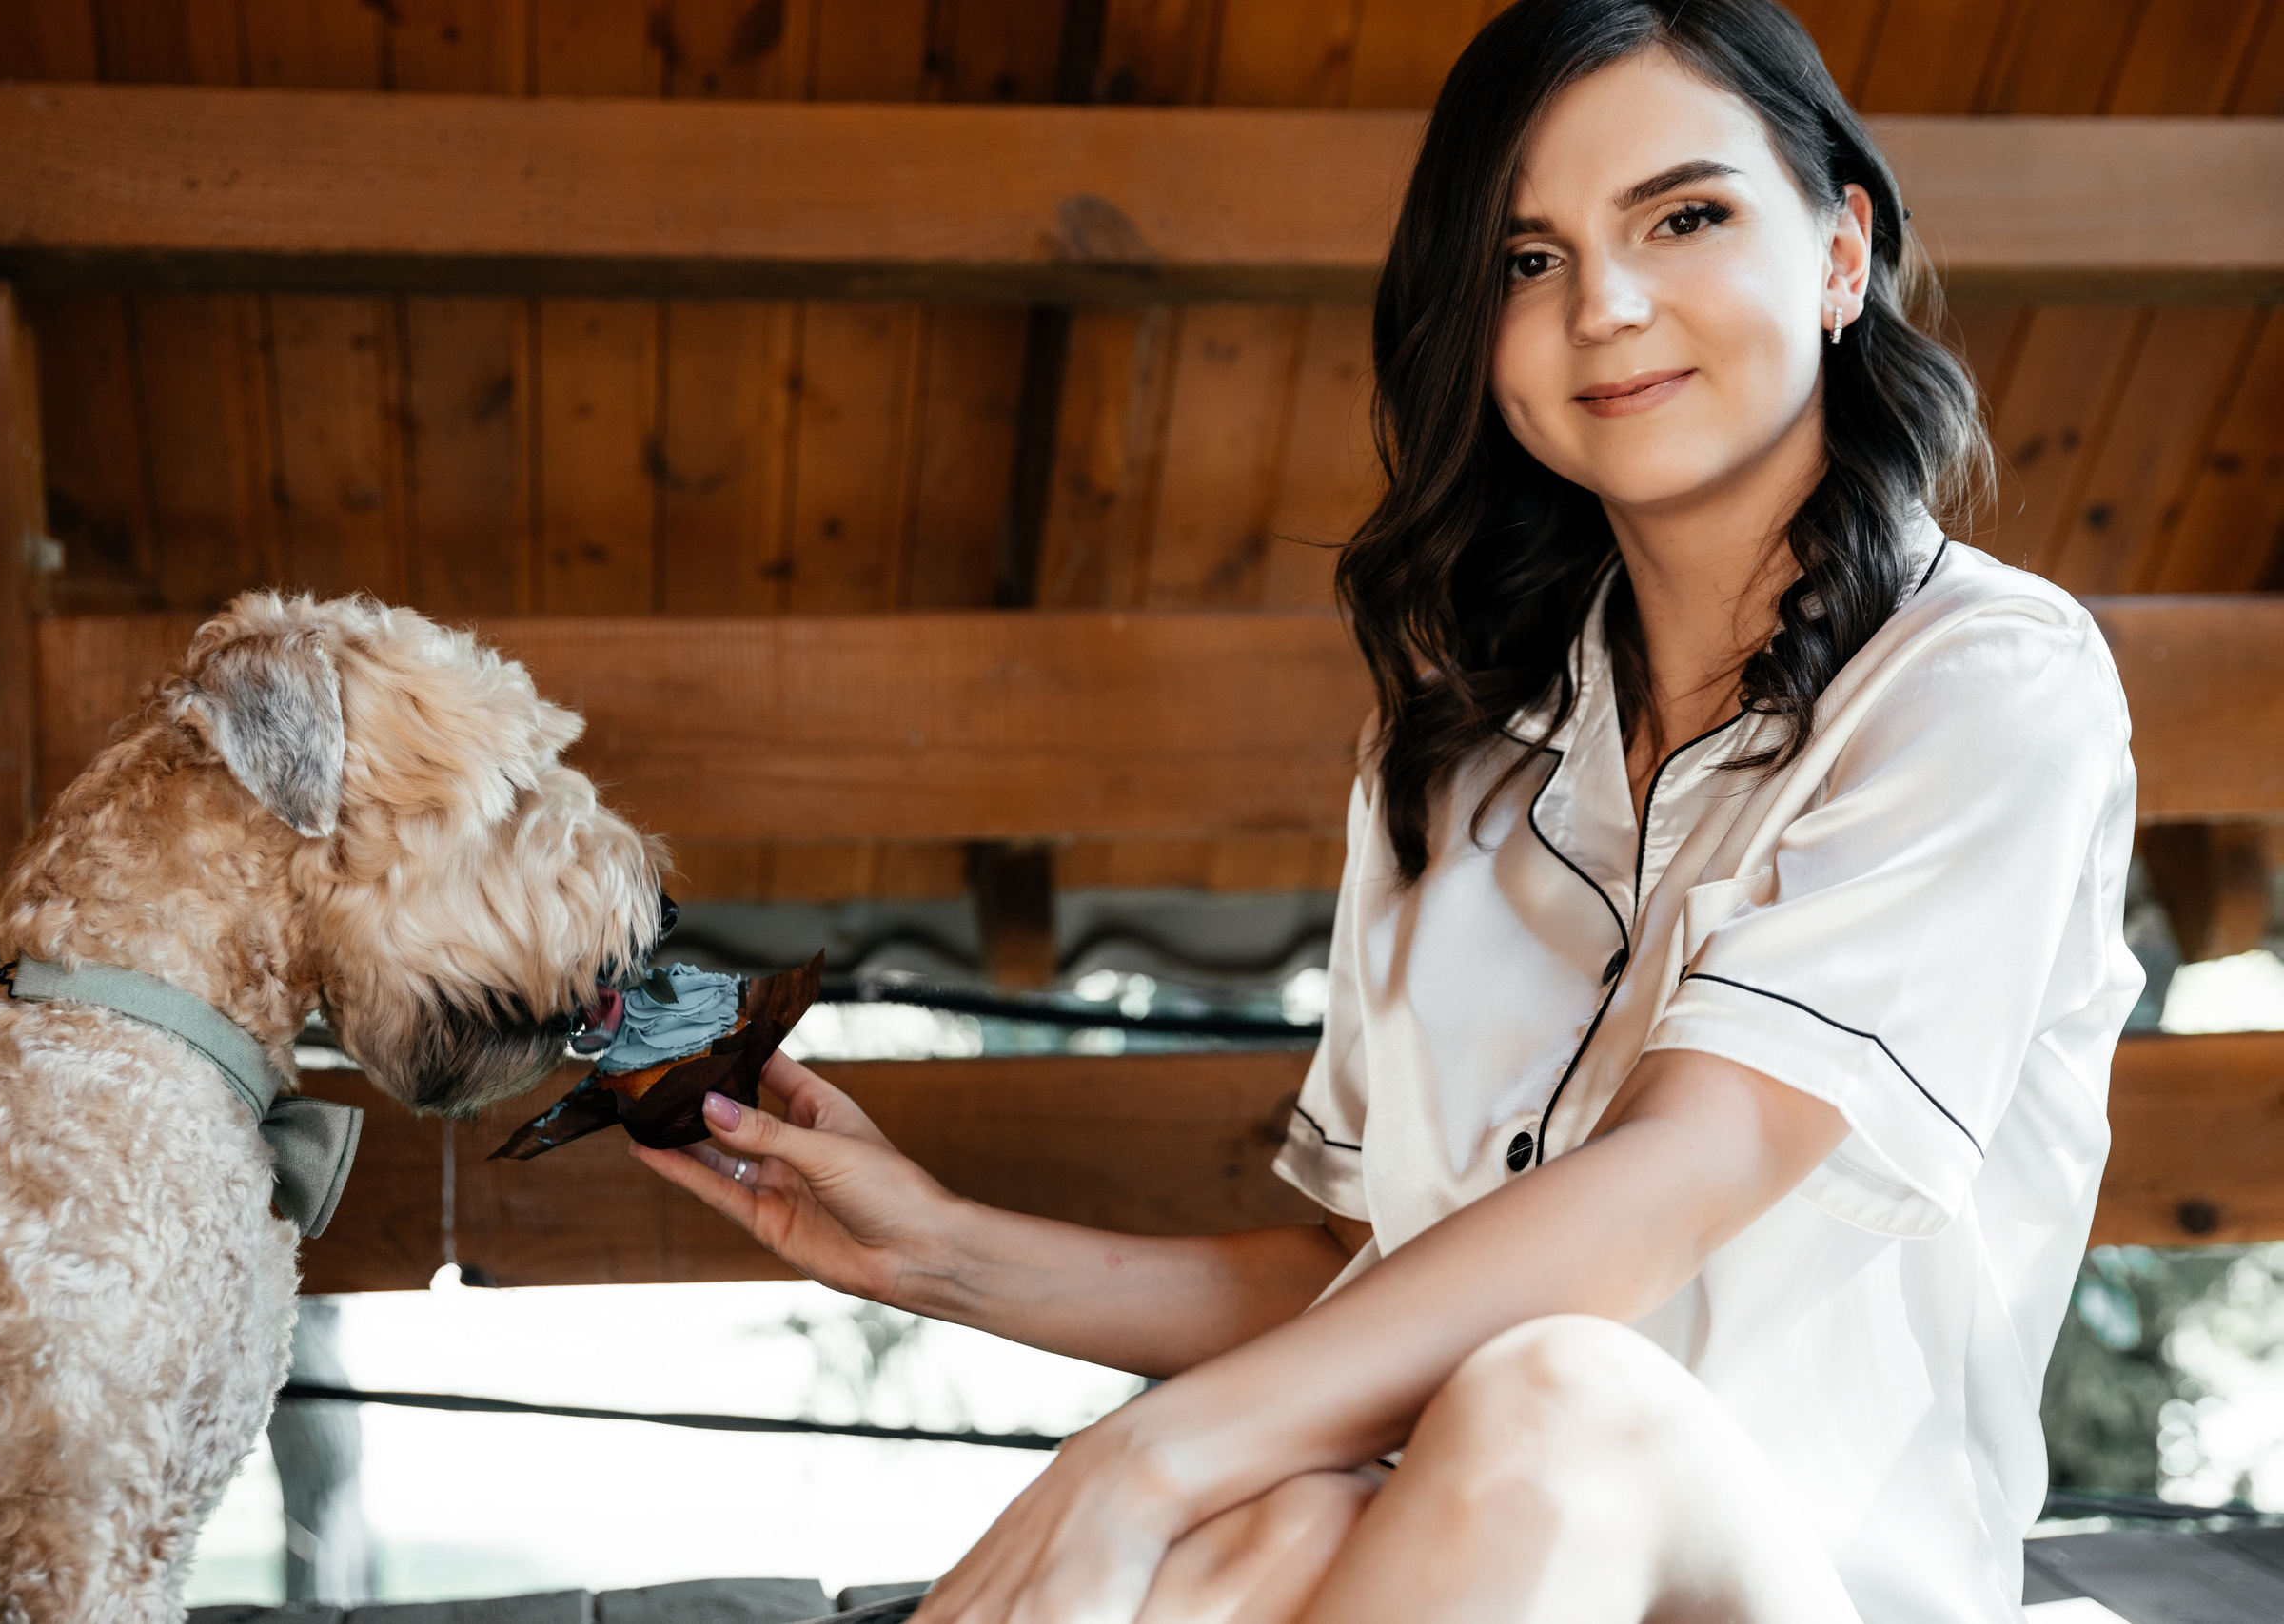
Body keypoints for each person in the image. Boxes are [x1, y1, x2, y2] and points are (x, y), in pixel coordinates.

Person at [631, 2, 2140, 1618]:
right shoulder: (1452, 770)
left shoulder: (1987, 683)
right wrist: (939, 1255)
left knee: (1550, 1402)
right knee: (1276, 1530)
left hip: (1792, 1590)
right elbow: (1364, 1291)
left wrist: (1136, 1459)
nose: (1608, 307)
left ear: (1843, 253)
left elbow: (1687, 1165)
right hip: (1469, 1559)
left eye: (1684, 217)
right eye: (1528, 261)